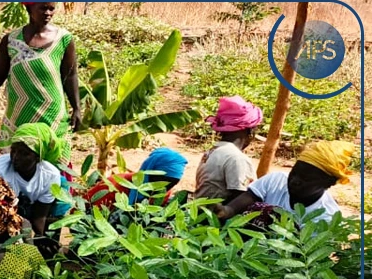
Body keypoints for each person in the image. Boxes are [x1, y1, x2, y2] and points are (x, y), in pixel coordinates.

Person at [0, 0, 80, 170]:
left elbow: (70, 75)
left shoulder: (63, 39)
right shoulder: (10, 40)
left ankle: (51, 197)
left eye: (51, 9)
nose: (48, 13)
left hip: (52, 112)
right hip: (20, 111)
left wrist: (77, 108)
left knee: (52, 159)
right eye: (43, 9)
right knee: (19, 158)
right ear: (29, 8)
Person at [216, 141, 353, 224]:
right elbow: (237, 205)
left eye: (305, 178)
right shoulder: (276, 181)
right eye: (294, 173)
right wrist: (224, 210)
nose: (295, 181)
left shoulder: (325, 217)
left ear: (329, 183)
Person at [194, 96, 263, 204]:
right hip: (217, 218)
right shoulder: (236, 158)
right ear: (250, 132)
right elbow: (241, 199)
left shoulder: (214, 150)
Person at [80, 148, 189, 210]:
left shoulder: (163, 194)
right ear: (149, 172)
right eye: (160, 182)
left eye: (172, 184)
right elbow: (79, 212)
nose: (163, 188)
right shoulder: (113, 186)